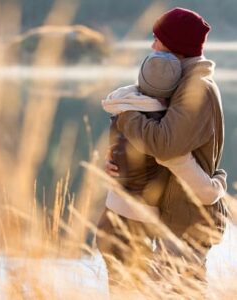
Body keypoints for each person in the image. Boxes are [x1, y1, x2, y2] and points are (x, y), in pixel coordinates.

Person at [97, 7, 227, 288]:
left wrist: (126, 113)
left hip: (189, 223)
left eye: (157, 39)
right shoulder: (181, 83)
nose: (152, 45)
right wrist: (118, 158)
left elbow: (165, 147)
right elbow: (163, 146)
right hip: (176, 217)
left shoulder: (197, 89)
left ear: (175, 47)